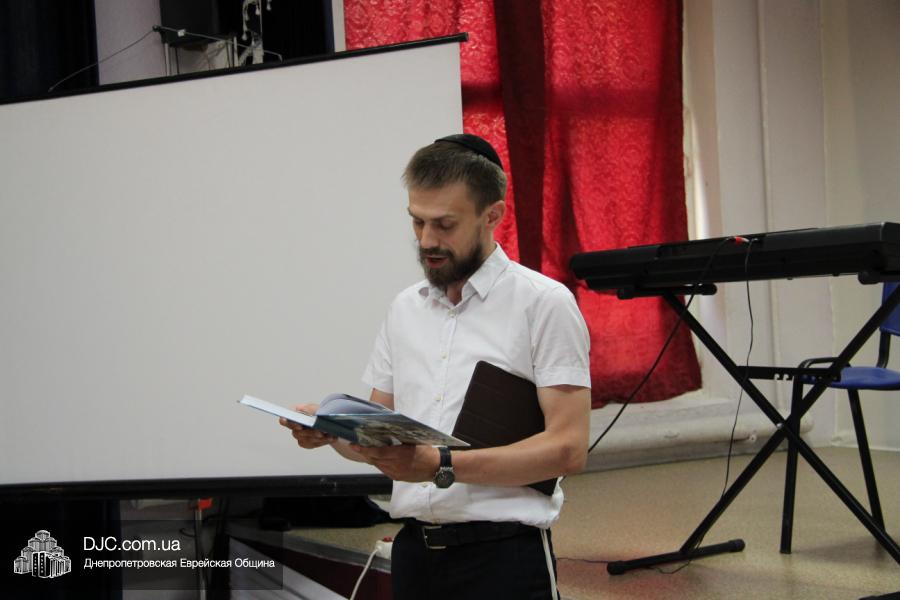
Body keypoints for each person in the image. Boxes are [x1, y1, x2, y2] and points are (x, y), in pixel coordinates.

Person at [281, 133, 591, 600]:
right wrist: (331, 432)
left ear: (493, 215)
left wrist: (441, 464)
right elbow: (382, 446)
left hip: (503, 558)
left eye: (445, 224)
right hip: (414, 557)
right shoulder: (404, 309)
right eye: (417, 221)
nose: (427, 240)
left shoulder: (543, 304)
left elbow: (568, 449)